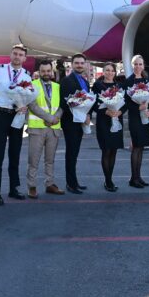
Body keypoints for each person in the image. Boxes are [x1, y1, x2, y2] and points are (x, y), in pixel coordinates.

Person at [0, 44, 32, 204]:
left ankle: (13, 188)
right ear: (10, 55)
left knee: (15, 154)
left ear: (24, 58)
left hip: (17, 116)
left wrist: (24, 106)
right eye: (15, 53)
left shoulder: (27, 75)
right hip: (1, 115)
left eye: (20, 55)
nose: (17, 57)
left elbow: (29, 94)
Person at [25, 60, 65, 199]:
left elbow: (61, 106)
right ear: (39, 72)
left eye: (48, 71)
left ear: (52, 72)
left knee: (50, 160)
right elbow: (32, 105)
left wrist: (56, 117)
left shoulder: (57, 86)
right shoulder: (32, 85)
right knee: (33, 160)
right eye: (43, 71)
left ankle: (50, 184)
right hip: (37, 129)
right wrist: (49, 118)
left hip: (53, 129)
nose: (46, 73)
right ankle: (32, 186)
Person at [59, 53, 92, 194]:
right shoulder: (66, 81)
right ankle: (70, 184)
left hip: (80, 122)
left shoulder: (85, 81)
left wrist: (88, 115)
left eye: (81, 63)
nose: (79, 65)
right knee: (71, 154)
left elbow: (88, 101)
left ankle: (74, 182)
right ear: (72, 65)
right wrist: (81, 115)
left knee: (75, 153)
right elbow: (64, 103)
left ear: (85, 65)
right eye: (77, 63)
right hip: (70, 123)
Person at [93, 62, 124, 192]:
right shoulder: (97, 86)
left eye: (112, 70)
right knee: (106, 151)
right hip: (104, 122)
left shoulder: (119, 86)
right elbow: (93, 103)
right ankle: (108, 180)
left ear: (115, 72)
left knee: (114, 151)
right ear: (103, 71)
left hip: (116, 120)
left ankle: (110, 178)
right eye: (107, 70)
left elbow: (125, 103)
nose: (110, 72)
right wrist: (106, 111)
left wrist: (120, 111)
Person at [124, 55, 149, 188]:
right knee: (136, 147)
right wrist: (138, 108)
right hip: (135, 118)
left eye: (140, 64)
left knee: (141, 147)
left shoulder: (146, 79)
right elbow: (126, 103)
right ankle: (133, 179)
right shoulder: (128, 81)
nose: (138, 66)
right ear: (132, 65)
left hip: (144, 117)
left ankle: (138, 177)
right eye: (135, 64)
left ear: (143, 65)